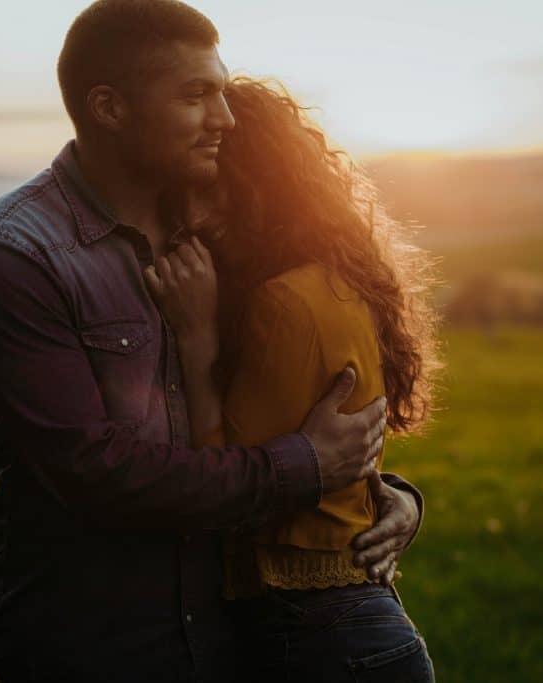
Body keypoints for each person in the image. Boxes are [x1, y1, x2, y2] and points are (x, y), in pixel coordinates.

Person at [0, 1, 425, 681]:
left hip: (237, 651)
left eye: (223, 92)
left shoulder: (220, 233)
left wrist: (389, 497)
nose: (223, 118)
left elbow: (283, 406)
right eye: (197, 96)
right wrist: (305, 466)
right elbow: (98, 471)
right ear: (110, 108)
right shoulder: (14, 257)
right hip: (93, 655)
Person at [144, 78, 440, 681]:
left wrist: (198, 341)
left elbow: (226, 490)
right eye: (186, 197)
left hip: (317, 640)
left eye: (218, 192)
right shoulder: (334, 281)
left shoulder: (283, 302)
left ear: (268, 191)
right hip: (353, 635)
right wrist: (402, 497)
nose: (197, 218)